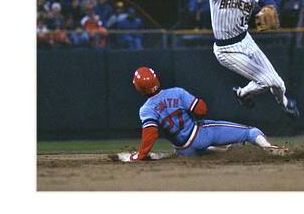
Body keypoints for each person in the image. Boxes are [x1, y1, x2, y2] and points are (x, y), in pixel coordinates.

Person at [203, 0, 299, 117]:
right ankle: (242, 93)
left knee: (278, 84)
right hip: (226, 49)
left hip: (246, 40)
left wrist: (268, 8)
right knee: (268, 80)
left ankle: (283, 104)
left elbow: (268, 1)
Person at [123, 67, 287, 162]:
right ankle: (269, 148)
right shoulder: (177, 92)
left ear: (139, 88)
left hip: (184, 150)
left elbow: (150, 134)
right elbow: (201, 109)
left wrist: (141, 155)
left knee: (207, 150)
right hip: (200, 135)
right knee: (250, 131)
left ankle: (226, 151)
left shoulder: (145, 109)